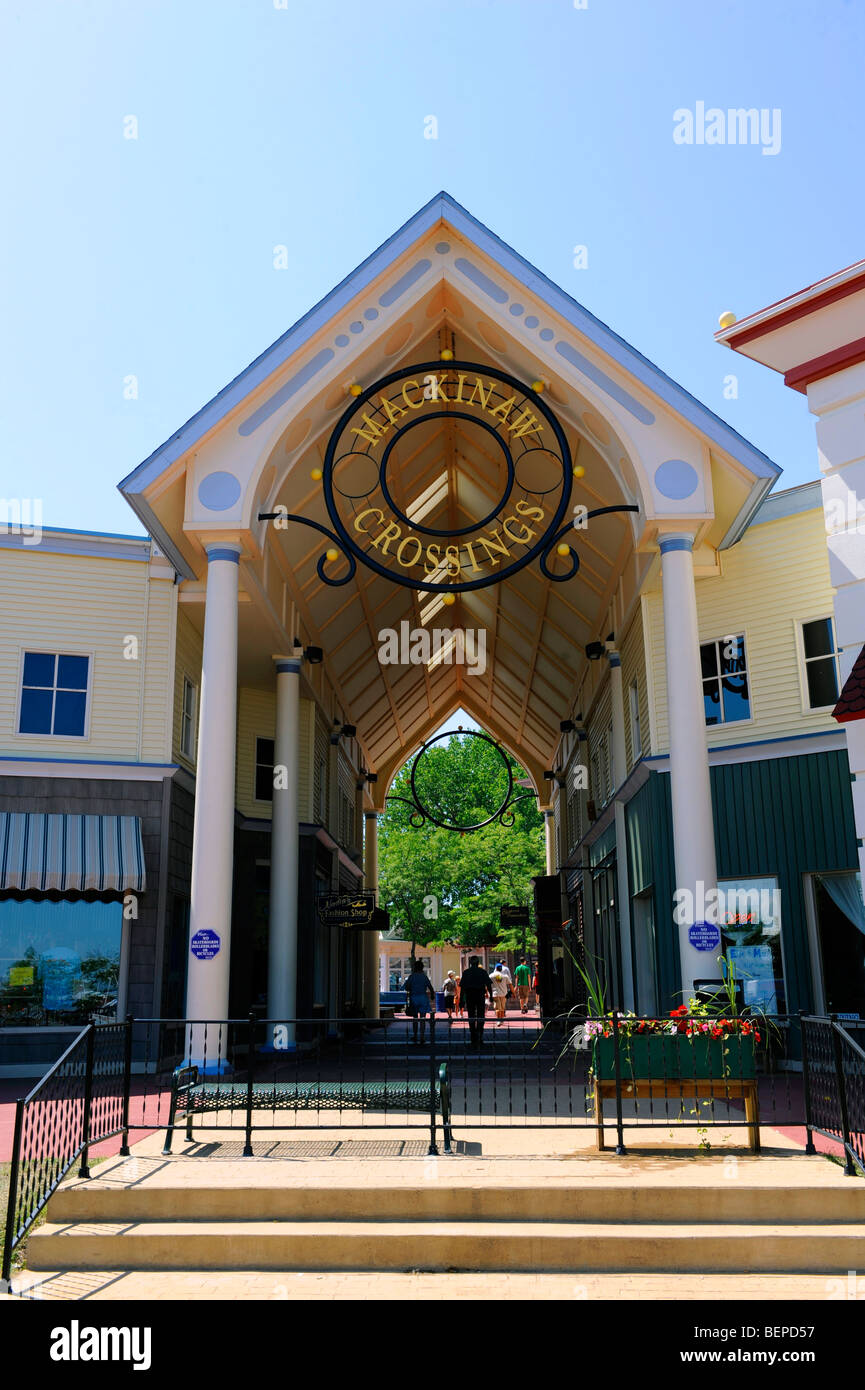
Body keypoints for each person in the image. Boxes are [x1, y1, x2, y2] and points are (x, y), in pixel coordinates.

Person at [458, 956, 493, 1048]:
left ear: (470, 963)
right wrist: (491, 996)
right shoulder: (483, 972)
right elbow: (489, 985)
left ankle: (473, 1036)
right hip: (480, 995)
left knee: (471, 1016)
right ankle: (480, 1035)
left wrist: (461, 1000)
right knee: (481, 1015)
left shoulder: (466, 973)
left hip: (470, 996)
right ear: (478, 963)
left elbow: (462, 989)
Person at [404, 958, 436, 1044]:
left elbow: (406, 987)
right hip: (423, 998)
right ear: (422, 968)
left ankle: (415, 1035)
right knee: (423, 1018)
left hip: (414, 998)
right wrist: (432, 995)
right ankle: (422, 1037)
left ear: (414, 967)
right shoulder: (424, 977)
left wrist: (412, 988)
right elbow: (430, 987)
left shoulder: (411, 976)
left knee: (415, 1018)